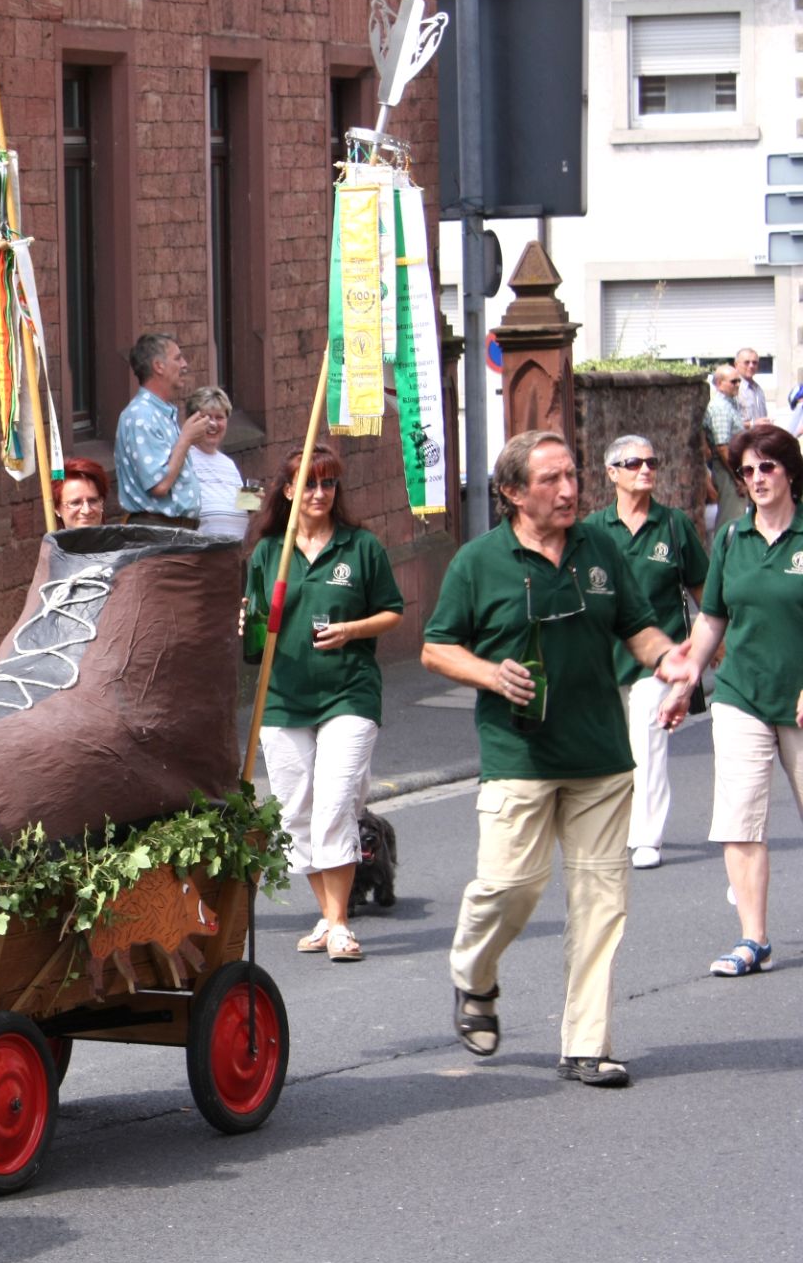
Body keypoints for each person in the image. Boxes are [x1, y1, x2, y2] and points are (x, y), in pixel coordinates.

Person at [421, 430, 678, 1089]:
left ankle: (587, 1043)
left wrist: (668, 658)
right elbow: (436, 648)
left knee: (601, 901)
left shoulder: (602, 549)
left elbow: (638, 625)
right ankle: (473, 976)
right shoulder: (479, 561)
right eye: (550, 481)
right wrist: (488, 672)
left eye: (573, 475)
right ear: (511, 492)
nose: (569, 490)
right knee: (510, 886)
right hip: (519, 753)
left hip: (601, 754)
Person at [246, 444, 404, 961]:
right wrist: (243, 627)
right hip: (284, 700)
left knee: (335, 805)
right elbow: (253, 649)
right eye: (309, 484)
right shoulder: (269, 554)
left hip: (349, 692)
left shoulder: (361, 548)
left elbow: (391, 611)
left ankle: (338, 925)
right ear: (288, 491)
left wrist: (351, 630)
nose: (320, 493)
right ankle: (330, 916)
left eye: (329, 483)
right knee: (296, 813)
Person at [657, 423, 803, 979]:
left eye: (767, 466)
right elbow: (713, 617)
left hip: (797, 697)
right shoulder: (732, 540)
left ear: (789, 470)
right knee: (740, 821)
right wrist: (687, 678)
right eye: (746, 470)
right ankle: (753, 939)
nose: (757, 478)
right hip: (742, 693)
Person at [585, 435, 707, 870]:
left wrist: (715, 644)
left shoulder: (674, 526)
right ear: (612, 472)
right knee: (611, 750)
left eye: (652, 462)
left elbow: (702, 590)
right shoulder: (592, 531)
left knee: (648, 742)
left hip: (660, 660)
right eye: (634, 462)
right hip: (604, 659)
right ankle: (615, 826)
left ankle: (646, 836)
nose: (646, 469)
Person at [110, 332, 205, 528]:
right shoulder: (141, 416)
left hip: (173, 531)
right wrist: (186, 439)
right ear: (158, 366)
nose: (185, 364)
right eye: (177, 358)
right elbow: (159, 485)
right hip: (158, 532)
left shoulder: (159, 413)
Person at [186, 386, 248, 540]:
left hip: (233, 555)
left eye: (219, 417)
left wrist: (255, 502)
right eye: (206, 417)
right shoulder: (185, 458)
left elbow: (246, 508)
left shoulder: (228, 464)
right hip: (201, 555)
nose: (213, 424)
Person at [706, 364, 752, 534]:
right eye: (733, 382)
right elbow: (722, 447)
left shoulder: (729, 404)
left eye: (739, 381)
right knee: (730, 523)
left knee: (738, 519)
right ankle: (723, 559)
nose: (738, 385)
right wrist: (738, 478)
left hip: (733, 469)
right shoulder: (720, 407)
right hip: (728, 472)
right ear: (719, 383)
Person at [53, 456, 110, 529]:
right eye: (75, 503)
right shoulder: (51, 540)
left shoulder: (122, 539)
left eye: (93, 501)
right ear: (57, 509)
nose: (86, 511)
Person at [729, 347, 767, 422]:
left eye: (754, 363)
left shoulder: (758, 389)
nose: (751, 366)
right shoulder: (732, 389)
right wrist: (753, 424)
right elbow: (730, 422)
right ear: (736, 365)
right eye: (747, 362)